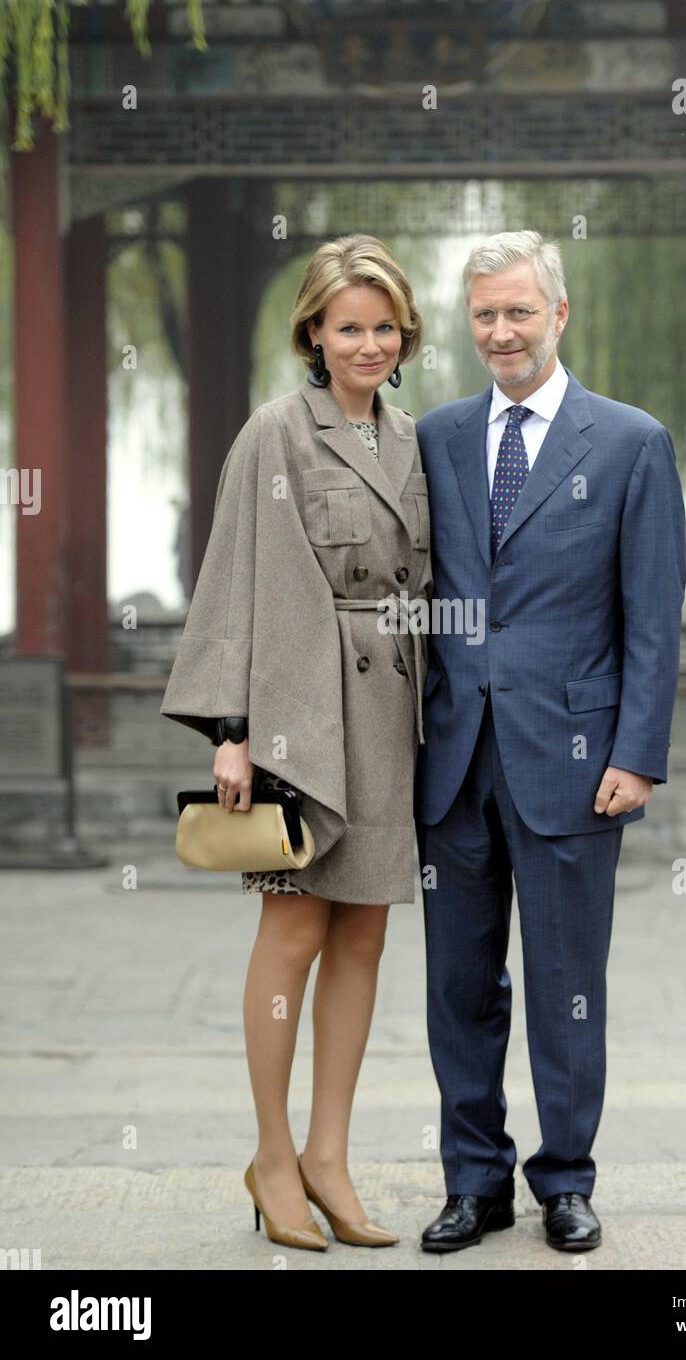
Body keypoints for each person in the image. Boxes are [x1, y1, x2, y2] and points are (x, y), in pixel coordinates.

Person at [414, 230, 686, 1253]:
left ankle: (566, 1179)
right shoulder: (435, 438)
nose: (501, 331)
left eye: (519, 311)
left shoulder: (629, 442)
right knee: (457, 987)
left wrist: (637, 753)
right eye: (484, 314)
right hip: (450, 761)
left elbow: (653, 617)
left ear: (558, 315)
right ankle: (473, 1180)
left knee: (569, 980)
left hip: (577, 764)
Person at [160, 234, 431, 1251]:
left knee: (364, 932)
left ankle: (329, 1155)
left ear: (405, 335)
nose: (367, 342)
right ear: (314, 331)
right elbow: (233, 575)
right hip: (294, 710)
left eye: (383, 326)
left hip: (391, 714)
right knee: (292, 932)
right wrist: (231, 734)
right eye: (347, 325)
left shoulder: (410, 439)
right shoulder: (276, 431)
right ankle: (272, 1155)